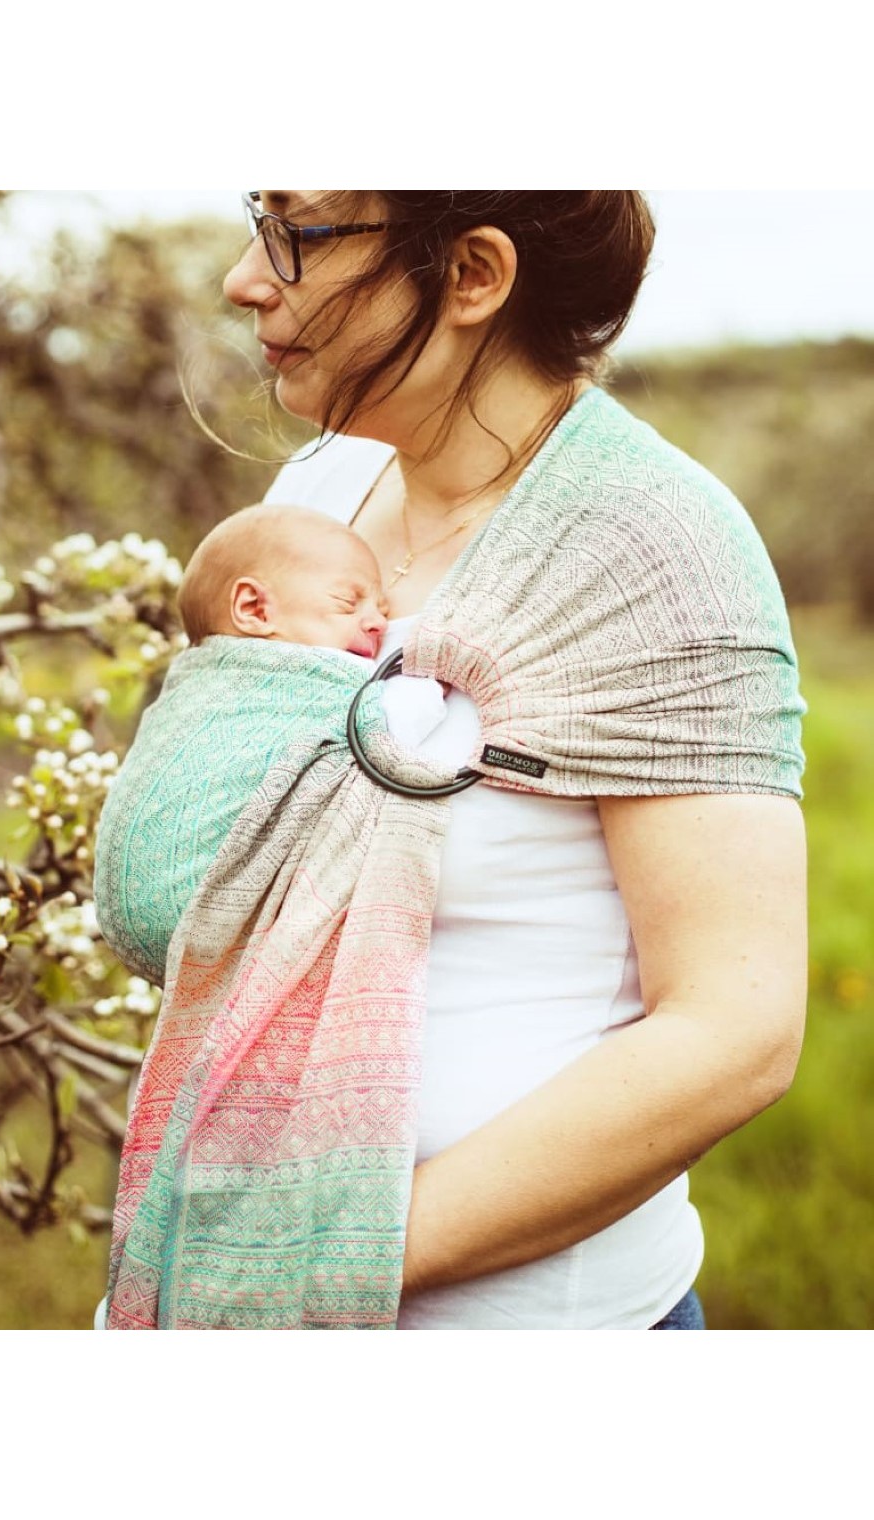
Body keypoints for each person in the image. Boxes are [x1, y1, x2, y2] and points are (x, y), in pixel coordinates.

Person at [100, 191, 807, 1331]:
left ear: (475, 275)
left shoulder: (653, 544)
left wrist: (307, 1261)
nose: (244, 276)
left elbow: (736, 1032)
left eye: (300, 231)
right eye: (258, 215)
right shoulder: (320, 497)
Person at [93, 501, 447, 988]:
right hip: (206, 909)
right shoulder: (299, 676)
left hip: (128, 925)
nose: (377, 623)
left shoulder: (194, 683)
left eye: (382, 610)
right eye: (349, 603)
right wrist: (437, 676)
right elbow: (393, 725)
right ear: (255, 610)